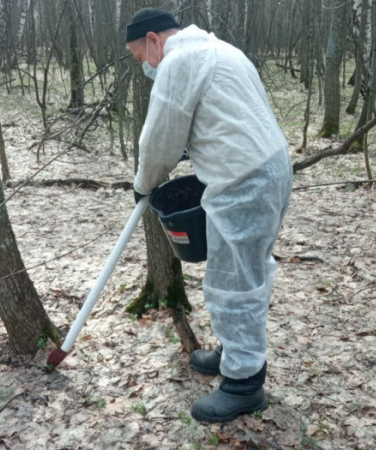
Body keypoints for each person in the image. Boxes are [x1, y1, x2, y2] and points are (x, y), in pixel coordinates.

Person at [126, 8, 292, 423]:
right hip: (269, 169)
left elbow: (159, 141)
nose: (145, 66)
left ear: (153, 40)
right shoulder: (220, 50)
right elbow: (227, 117)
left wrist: (144, 184)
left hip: (244, 181)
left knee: (234, 283)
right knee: (243, 273)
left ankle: (244, 384)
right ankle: (234, 353)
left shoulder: (179, 62)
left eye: (140, 56)